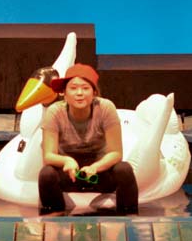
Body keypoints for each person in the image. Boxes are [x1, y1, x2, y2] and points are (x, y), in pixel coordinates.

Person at [38, 64, 138, 214]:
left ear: (94, 92)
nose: (79, 93)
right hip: (70, 174)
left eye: (85, 88)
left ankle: (129, 217)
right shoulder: (55, 112)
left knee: (124, 169)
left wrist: (95, 167)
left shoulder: (105, 108)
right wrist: (66, 161)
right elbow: (48, 155)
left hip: (99, 173)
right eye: (73, 88)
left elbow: (116, 153)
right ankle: (54, 218)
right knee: (46, 174)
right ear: (64, 93)